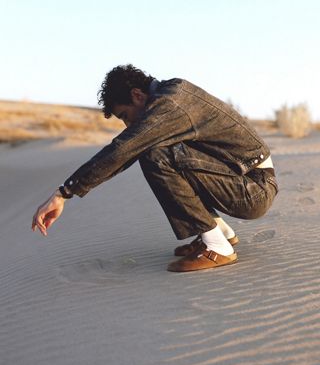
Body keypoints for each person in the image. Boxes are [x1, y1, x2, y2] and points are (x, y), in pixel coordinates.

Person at [32, 64, 278, 272]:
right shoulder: (171, 91)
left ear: (138, 95)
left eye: (126, 115)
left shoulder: (169, 105)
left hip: (253, 189)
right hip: (245, 179)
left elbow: (122, 150)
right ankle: (219, 233)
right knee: (156, 149)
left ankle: (217, 247)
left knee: (154, 153)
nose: (128, 124)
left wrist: (64, 193)